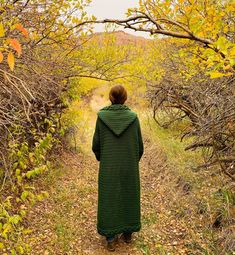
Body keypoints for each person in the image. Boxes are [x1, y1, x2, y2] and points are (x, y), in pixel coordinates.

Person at [92, 85, 144, 252]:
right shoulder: (133, 118)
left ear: (111, 98)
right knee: (129, 193)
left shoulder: (102, 117)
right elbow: (139, 146)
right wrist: (132, 160)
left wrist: (104, 159)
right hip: (129, 165)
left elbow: (96, 145)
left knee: (109, 197)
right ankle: (128, 234)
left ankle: (110, 238)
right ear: (125, 98)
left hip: (109, 166)